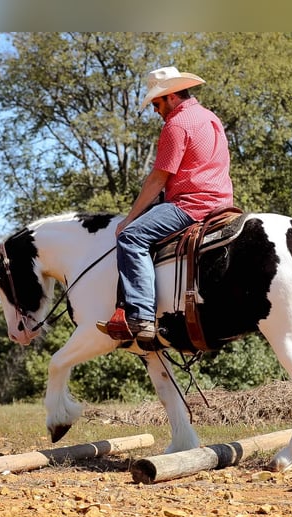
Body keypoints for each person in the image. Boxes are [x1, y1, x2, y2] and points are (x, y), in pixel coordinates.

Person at [97, 66, 234, 343]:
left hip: (191, 205)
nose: (155, 110)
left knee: (131, 237)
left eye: (157, 103)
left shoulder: (177, 124)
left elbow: (158, 178)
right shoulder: (210, 118)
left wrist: (129, 219)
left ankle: (142, 317)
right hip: (222, 202)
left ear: (171, 96)